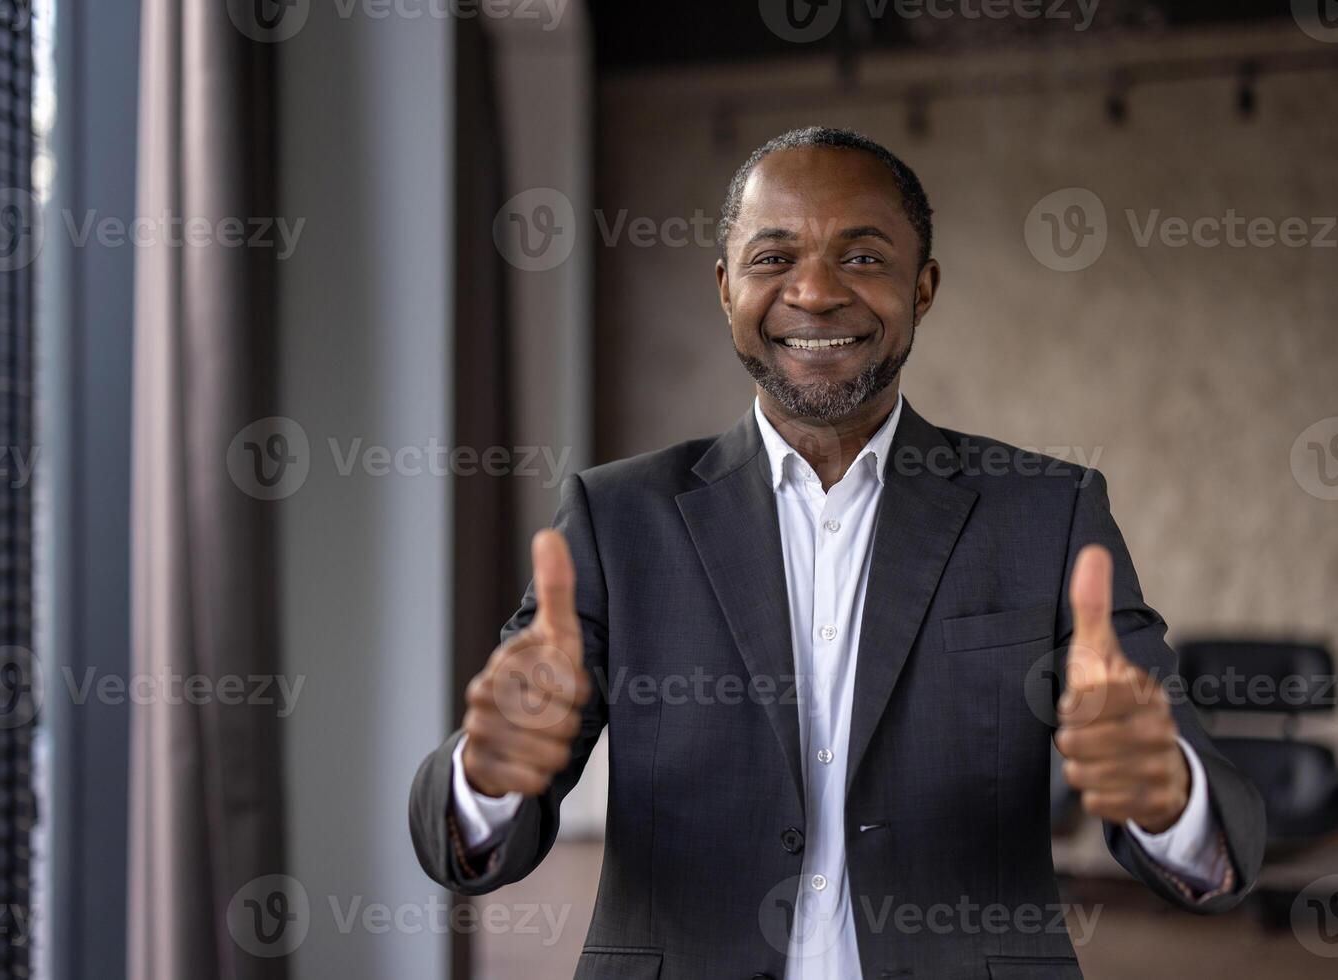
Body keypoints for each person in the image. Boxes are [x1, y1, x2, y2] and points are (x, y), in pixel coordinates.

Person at [409, 127, 1265, 980]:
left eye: (861, 258)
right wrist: (485, 781)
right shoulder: (614, 516)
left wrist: (1169, 798)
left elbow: (1220, 833)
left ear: (922, 289)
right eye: (773, 257)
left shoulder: (1048, 513)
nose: (813, 292)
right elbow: (470, 842)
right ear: (724, 287)